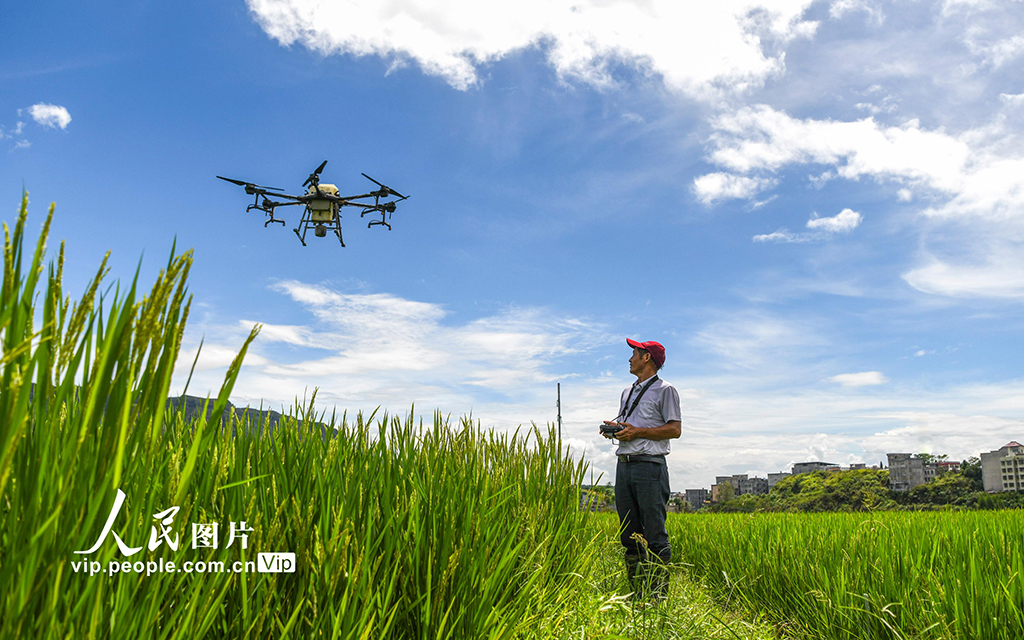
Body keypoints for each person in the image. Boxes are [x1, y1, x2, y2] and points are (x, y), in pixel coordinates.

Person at [600, 338, 681, 599]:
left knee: (654, 534)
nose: (630, 358)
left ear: (647, 358)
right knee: (630, 535)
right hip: (624, 466)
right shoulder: (627, 391)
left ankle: (658, 598)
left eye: (634, 353)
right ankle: (638, 594)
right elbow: (631, 426)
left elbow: (674, 429)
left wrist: (638, 432)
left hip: (649, 467)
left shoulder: (666, 390)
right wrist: (616, 429)